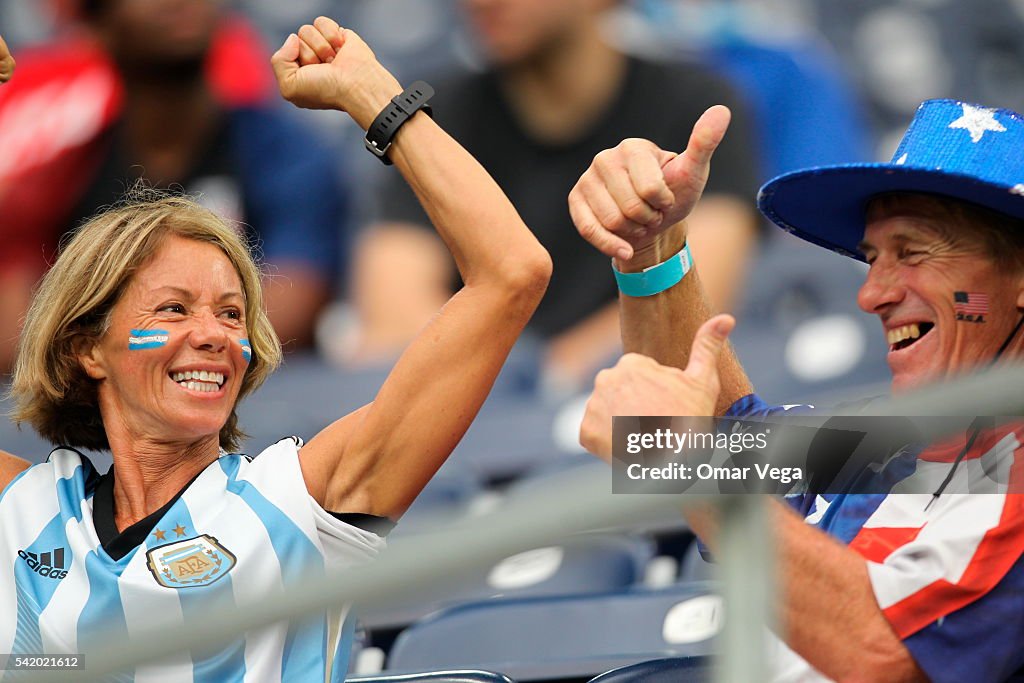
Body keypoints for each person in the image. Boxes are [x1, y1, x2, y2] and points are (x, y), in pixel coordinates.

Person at [0, 17, 551, 681]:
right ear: (88, 348)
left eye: (232, 313)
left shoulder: (298, 504)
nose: (214, 334)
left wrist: (374, 96)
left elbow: (511, 273)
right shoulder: (24, 506)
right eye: (174, 308)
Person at [573, 100, 1024, 681]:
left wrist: (687, 468)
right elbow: (697, 445)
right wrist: (648, 248)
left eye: (912, 252)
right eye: (872, 260)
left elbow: (884, 658)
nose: (871, 295)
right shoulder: (891, 443)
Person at [348, 0, 759, 392]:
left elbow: (699, 301)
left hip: (625, 399)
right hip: (472, 414)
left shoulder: (692, 103)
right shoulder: (435, 117)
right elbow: (393, 312)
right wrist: (514, 386)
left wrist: (555, 379)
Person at [0, 0, 346, 373]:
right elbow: (15, 336)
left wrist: (110, 353)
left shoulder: (287, 154)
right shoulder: (63, 174)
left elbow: (287, 316)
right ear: (94, 26)